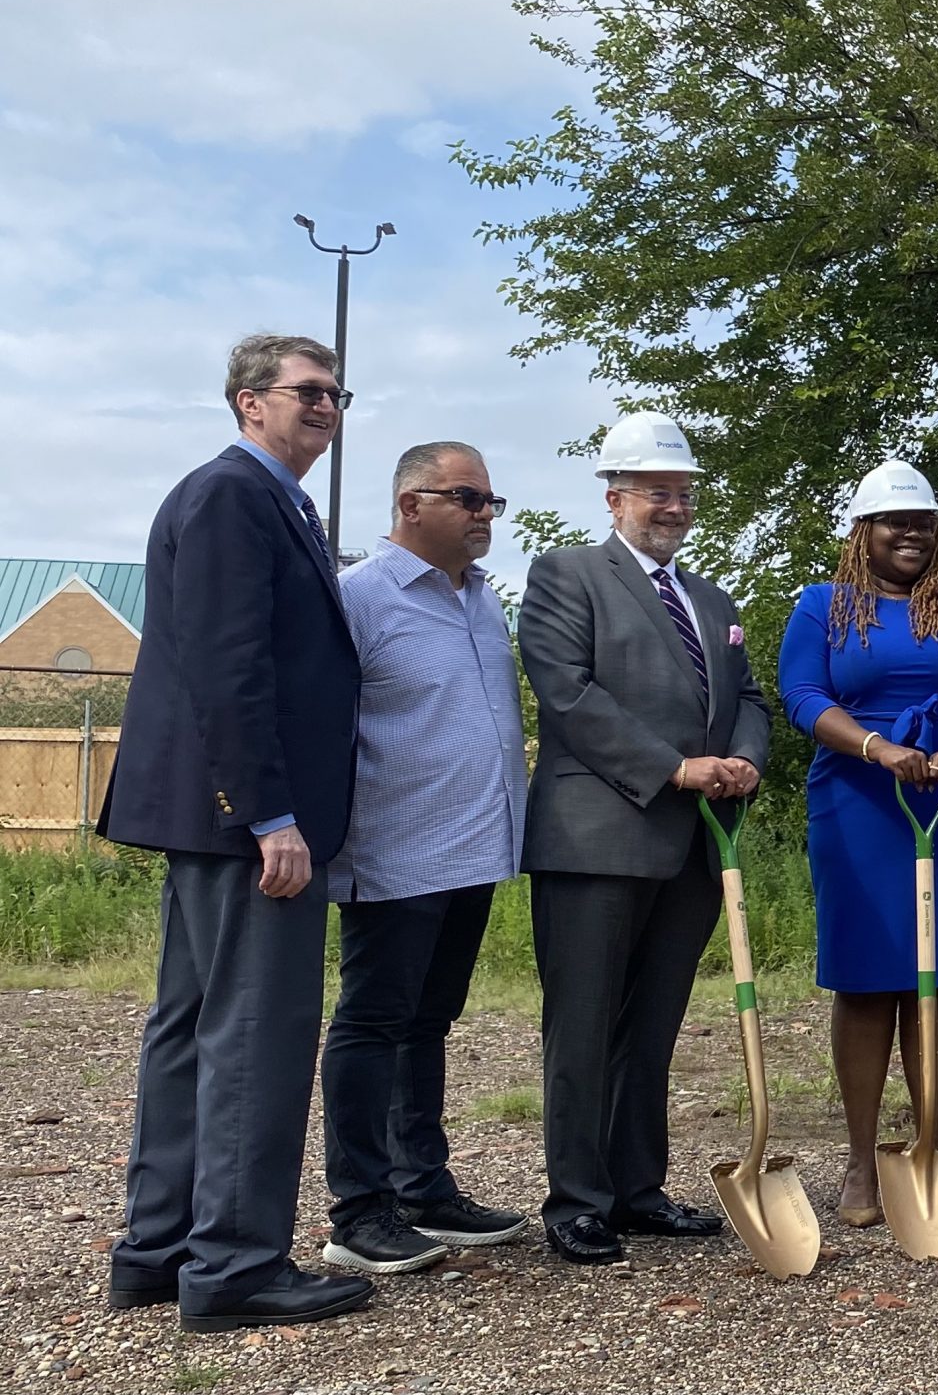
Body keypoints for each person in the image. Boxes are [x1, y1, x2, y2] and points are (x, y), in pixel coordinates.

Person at [100, 332, 373, 1330]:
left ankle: (159, 1248)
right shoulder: (231, 495)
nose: (327, 405)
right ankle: (236, 1264)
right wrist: (271, 814)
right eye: (308, 390)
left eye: (338, 393)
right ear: (249, 401)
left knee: (192, 1030)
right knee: (256, 1033)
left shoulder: (275, 500)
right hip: (249, 824)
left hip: (223, 822)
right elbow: (228, 666)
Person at [517, 411, 772, 1265]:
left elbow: (749, 701)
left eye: (684, 492)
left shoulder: (713, 599)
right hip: (597, 836)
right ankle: (577, 1201)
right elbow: (570, 695)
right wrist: (674, 768)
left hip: (694, 845)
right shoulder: (565, 575)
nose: (674, 506)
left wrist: (740, 759)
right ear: (615, 495)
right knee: (584, 1025)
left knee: (654, 1024)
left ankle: (638, 1190)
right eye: (658, 490)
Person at [775, 460, 938, 1228]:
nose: (911, 533)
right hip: (856, 801)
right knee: (864, 974)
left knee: (934, 974)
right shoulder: (824, 606)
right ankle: (859, 1155)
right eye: (895, 522)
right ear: (864, 532)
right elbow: (803, 695)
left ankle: (929, 1142)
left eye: (923, 522)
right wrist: (877, 747)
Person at [318, 443, 531, 1279]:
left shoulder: (480, 600)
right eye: (469, 498)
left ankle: (422, 1187)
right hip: (396, 850)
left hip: (475, 849)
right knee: (372, 1023)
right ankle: (359, 1210)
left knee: (428, 1022)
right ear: (412, 503)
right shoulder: (359, 598)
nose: (485, 514)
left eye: (490, 500)